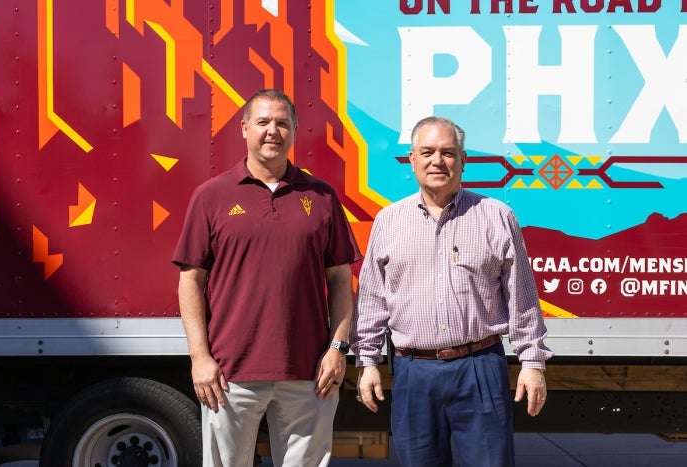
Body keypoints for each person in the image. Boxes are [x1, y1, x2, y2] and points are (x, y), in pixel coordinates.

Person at [172, 89, 361, 467]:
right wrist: (200, 358)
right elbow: (191, 281)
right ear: (244, 129)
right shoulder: (211, 196)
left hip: (310, 371)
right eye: (262, 122)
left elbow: (341, 278)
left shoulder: (321, 195)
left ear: (294, 131)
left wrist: (338, 349)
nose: (272, 131)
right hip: (229, 372)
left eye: (282, 123)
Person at [350, 116, 553, 467]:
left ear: (463, 160)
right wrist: (367, 362)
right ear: (412, 159)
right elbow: (372, 301)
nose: (437, 161)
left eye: (447, 152)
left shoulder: (496, 217)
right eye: (427, 152)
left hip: (480, 368)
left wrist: (532, 363)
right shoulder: (388, 221)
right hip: (413, 373)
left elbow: (522, 299)